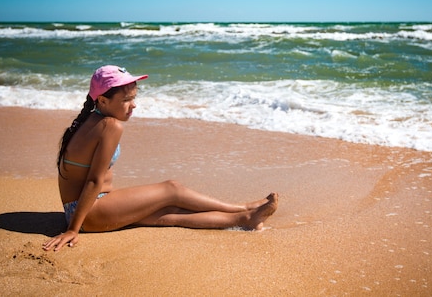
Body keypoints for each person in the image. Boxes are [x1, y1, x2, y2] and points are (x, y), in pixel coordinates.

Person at [42, 65, 278, 252]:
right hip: (89, 211)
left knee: (169, 214)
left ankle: (246, 218)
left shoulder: (88, 119)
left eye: (134, 97)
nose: (133, 105)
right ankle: (244, 207)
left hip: (81, 209)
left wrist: (75, 221)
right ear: (103, 101)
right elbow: (94, 180)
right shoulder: (110, 125)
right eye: (125, 100)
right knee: (171, 189)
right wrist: (73, 229)